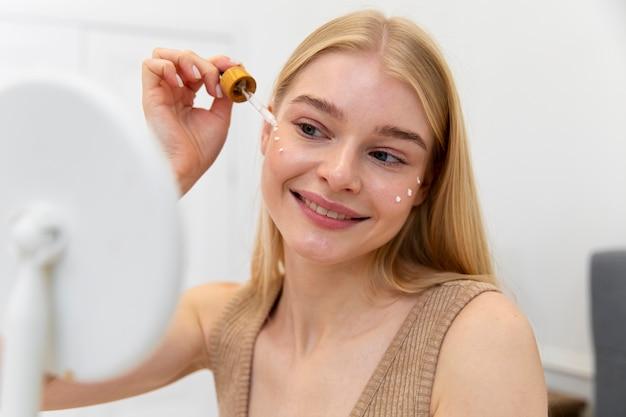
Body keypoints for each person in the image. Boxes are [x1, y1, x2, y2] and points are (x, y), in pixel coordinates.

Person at [40, 9, 548, 416]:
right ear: (267, 130)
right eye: (311, 128)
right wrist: (164, 173)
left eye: (386, 155)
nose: (339, 173)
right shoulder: (222, 320)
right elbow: (16, 378)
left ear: (425, 184)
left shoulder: (480, 336)